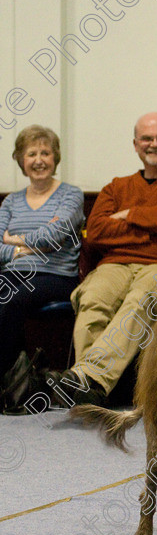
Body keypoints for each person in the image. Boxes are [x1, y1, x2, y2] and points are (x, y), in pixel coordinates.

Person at [11, 112, 157, 410]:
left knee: (143, 298)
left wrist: (130, 216)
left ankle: (85, 380)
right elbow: (98, 233)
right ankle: (94, 389)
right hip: (114, 265)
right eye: (147, 138)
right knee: (92, 297)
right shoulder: (116, 187)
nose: (154, 144)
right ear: (135, 144)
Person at [0, 126, 84, 397]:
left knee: (10, 298)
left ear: (55, 158)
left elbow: (54, 233)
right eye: (31, 153)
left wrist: (13, 239)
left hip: (57, 276)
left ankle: (8, 383)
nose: (39, 160)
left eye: (45, 153)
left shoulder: (71, 195)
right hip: (14, 270)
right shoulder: (12, 201)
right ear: (21, 160)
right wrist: (18, 252)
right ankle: (15, 377)